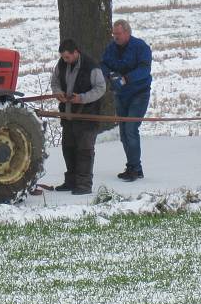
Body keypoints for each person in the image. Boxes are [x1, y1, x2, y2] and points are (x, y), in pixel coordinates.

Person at [50, 38, 106, 195]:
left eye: (67, 57)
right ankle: (71, 182)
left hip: (87, 116)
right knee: (68, 149)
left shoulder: (91, 66)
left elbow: (101, 88)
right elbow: (54, 82)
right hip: (68, 116)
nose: (64, 60)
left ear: (76, 52)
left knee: (84, 151)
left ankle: (84, 185)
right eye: (63, 57)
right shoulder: (61, 64)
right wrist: (58, 92)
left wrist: (82, 98)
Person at [101, 19, 152, 182]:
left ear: (127, 32)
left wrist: (125, 79)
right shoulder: (111, 48)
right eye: (114, 34)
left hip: (139, 94)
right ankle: (131, 166)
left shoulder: (141, 47)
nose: (115, 37)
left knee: (131, 129)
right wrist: (110, 74)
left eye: (118, 34)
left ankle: (136, 169)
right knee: (123, 132)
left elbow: (144, 70)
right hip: (121, 95)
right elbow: (104, 64)